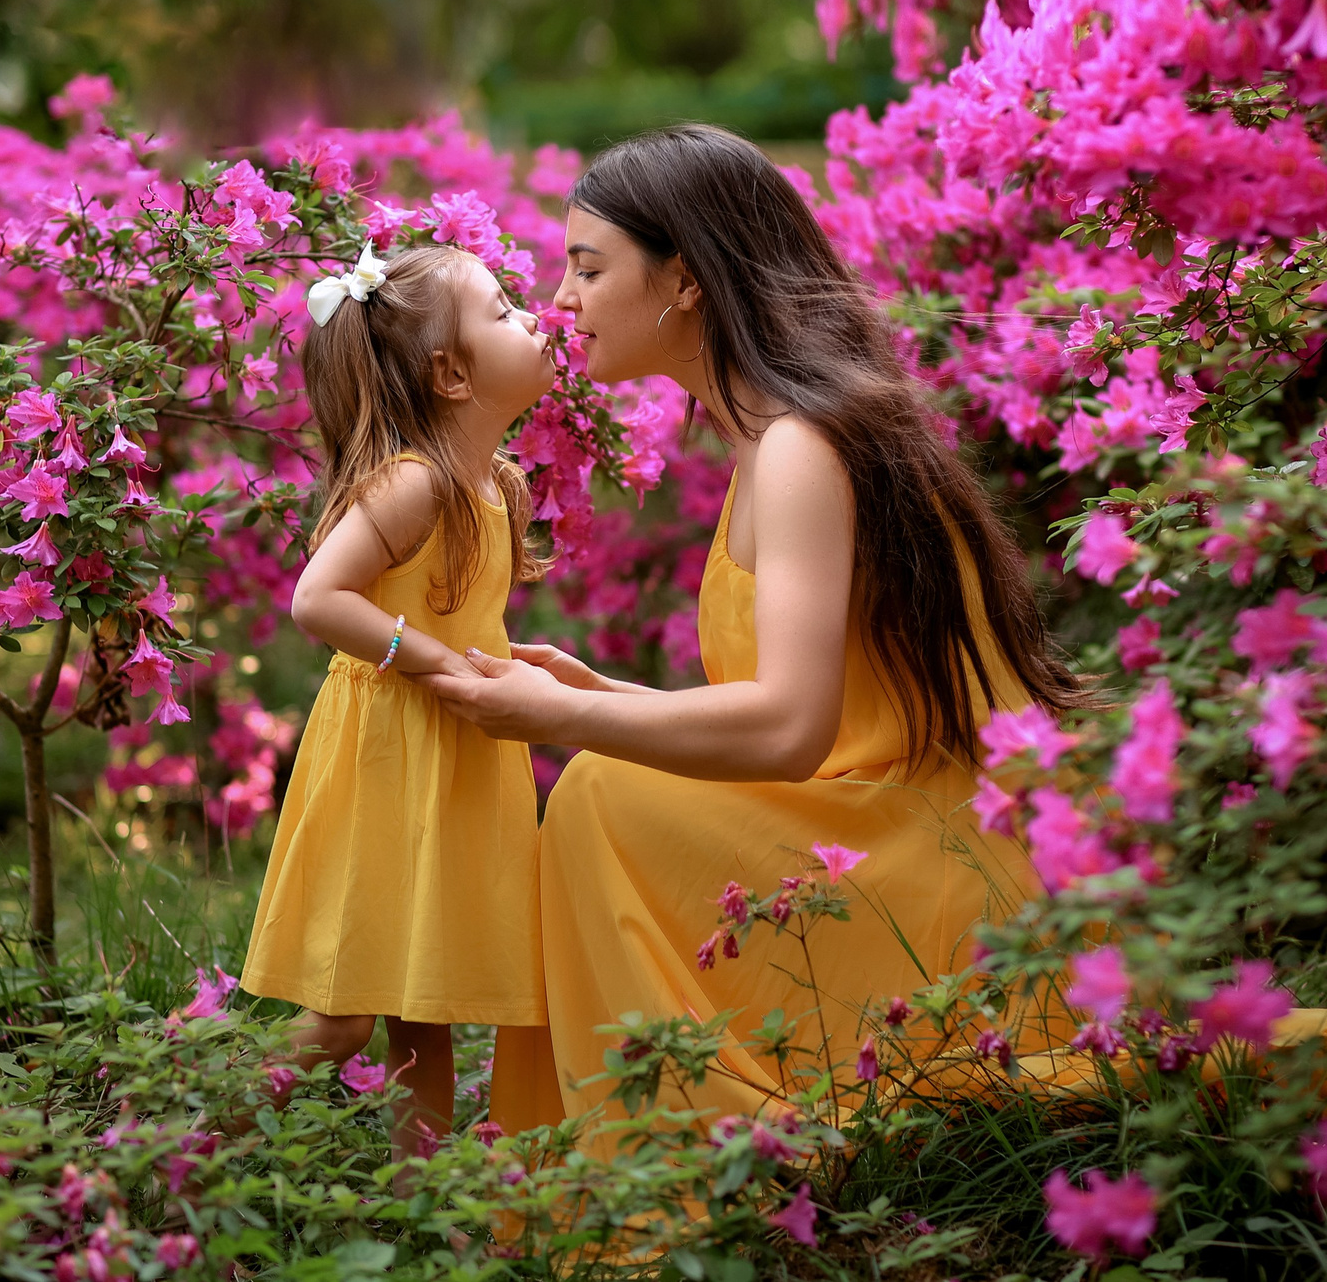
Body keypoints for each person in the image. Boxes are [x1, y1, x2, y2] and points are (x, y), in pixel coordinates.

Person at [422, 125, 1092, 1137]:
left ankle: (678, 1160)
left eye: (588, 266)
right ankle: (645, 1141)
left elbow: (790, 733)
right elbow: (821, 726)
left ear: (684, 279)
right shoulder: (776, 440)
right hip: (871, 842)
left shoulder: (797, 448)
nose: (560, 298)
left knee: (598, 792)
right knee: (605, 776)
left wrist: (565, 719)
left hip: (935, 879)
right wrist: (601, 697)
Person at [240, 242, 558, 1155]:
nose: (534, 318)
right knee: (340, 1023)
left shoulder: (492, 484)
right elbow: (317, 599)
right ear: (452, 374)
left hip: (452, 757)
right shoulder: (413, 481)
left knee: (428, 1012)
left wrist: (506, 661)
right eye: (503, 311)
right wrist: (436, 663)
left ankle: (428, 1215)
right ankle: (179, 1139)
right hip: (389, 756)